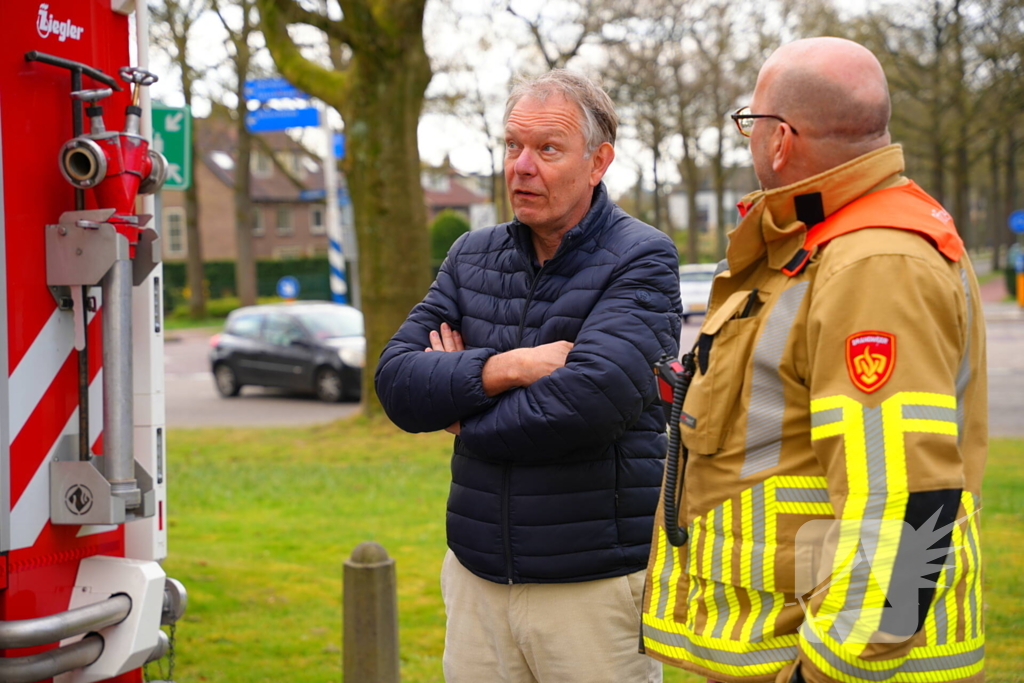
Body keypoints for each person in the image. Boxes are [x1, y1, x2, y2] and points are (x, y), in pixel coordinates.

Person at [641, 37, 986, 683]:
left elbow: (910, 506)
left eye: (750, 122)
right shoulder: (824, 246)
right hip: (797, 643)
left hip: (836, 663)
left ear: (779, 138)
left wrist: (824, 670)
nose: (748, 140)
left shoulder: (874, 265)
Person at [375, 70, 681, 683]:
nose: (521, 165)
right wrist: (505, 369)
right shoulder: (471, 255)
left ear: (598, 162)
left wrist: (459, 413)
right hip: (476, 581)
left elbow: (584, 408)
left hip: (590, 591)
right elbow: (396, 382)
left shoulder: (642, 259)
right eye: (513, 145)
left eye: (547, 148)